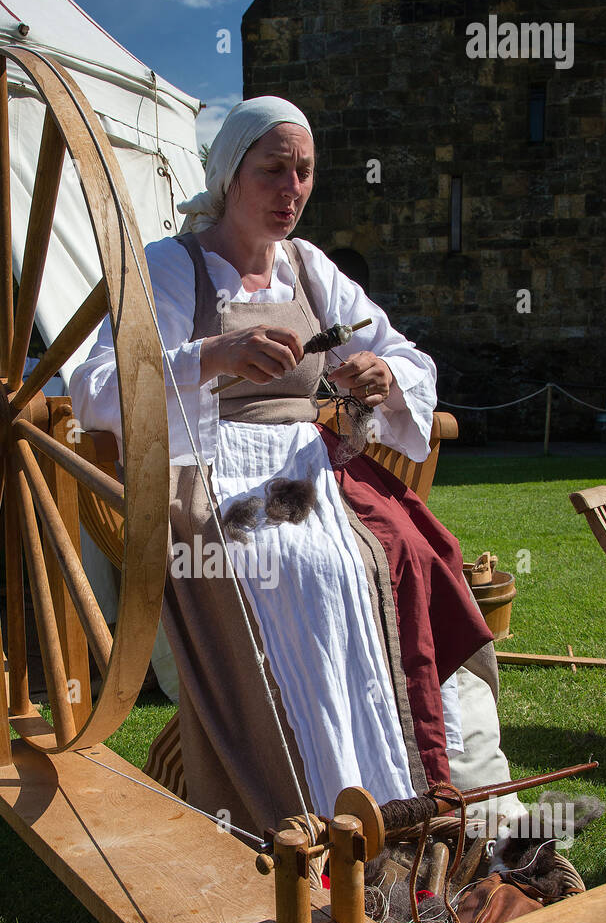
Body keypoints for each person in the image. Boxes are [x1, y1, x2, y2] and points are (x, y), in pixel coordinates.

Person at [70, 97, 499, 841]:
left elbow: (399, 350)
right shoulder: (173, 269)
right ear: (231, 175)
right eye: (274, 170)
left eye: (303, 172)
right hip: (205, 466)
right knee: (285, 563)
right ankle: (299, 787)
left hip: (307, 461)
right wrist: (212, 357)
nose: (291, 188)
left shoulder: (309, 267)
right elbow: (101, 382)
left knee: (417, 549)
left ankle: (427, 774)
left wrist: (379, 376)